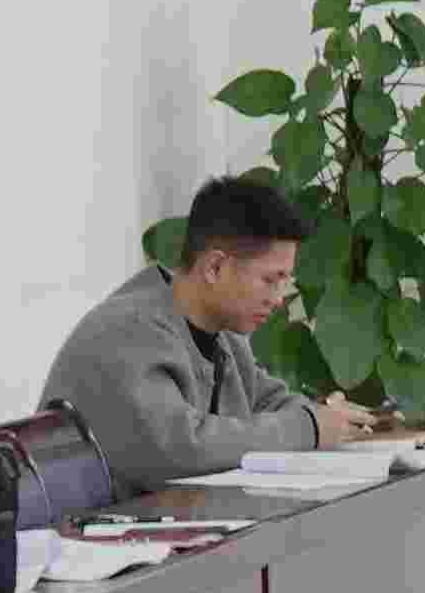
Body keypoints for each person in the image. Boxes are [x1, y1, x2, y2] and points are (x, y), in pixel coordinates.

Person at [41, 171, 392, 480]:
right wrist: (309, 426)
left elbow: (272, 404)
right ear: (214, 268)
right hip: (91, 534)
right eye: (270, 280)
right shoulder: (128, 332)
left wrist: (329, 418)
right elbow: (182, 449)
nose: (279, 298)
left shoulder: (224, 336)